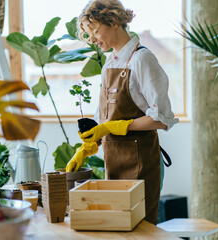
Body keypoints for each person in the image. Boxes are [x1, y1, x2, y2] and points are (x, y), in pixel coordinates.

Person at [66, 0, 179, 224]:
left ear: (115, 21)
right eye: (89, 35)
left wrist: (118, 126)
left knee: (140, 232)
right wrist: (88, 146)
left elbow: (161, 120)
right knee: (117, 229)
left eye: (96, 31)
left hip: (141, 165)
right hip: (115, 166)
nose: (93, 40)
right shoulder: (110, 64)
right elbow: (104, 119)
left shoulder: (142, 59)